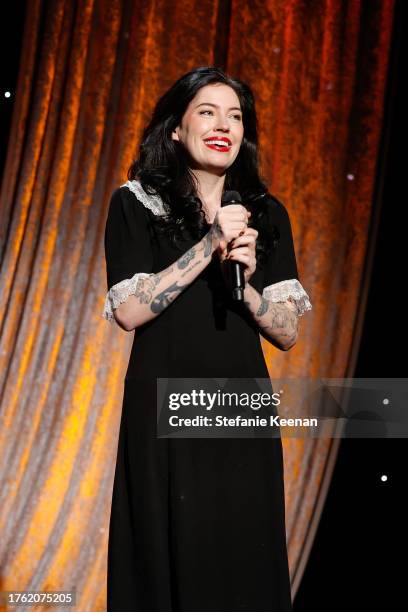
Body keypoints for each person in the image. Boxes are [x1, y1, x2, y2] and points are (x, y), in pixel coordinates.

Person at [102, 66, 312, 612]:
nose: (224, 126)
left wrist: (245, 293)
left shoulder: (266, 214)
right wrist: (208, 245)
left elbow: (288, 332)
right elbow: (127, 310)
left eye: (236, 116)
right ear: (176, 128)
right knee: (168, 555)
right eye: (208, 112)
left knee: (241, 556)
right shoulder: (137, 203)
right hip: (164, 405)